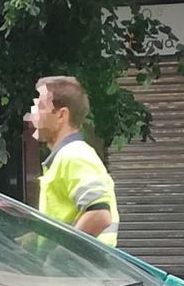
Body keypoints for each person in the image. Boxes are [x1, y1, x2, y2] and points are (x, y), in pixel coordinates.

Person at [25, 75, 119, 245]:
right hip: (83, 268)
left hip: (82, 269)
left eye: (39, 107)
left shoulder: (74, 155)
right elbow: (65, 222)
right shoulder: (65, 157)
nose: (32, 115)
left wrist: (60, 258)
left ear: (61, 115)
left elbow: (99, 215)